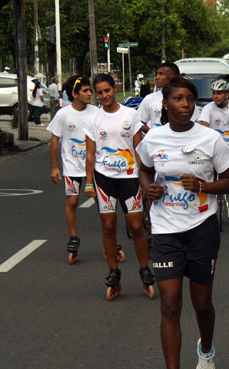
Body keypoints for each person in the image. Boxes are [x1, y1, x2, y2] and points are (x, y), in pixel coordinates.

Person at [137, 77, 229, 369]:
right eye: (178, 99)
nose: (185, 104)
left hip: (201, 228)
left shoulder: (210, 139)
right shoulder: (153, 138)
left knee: (202, 304)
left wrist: (202, 187)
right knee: (170, 303)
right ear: (165, 104)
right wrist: (148, 188)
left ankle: (206, 348)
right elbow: (144, 169)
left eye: (190, 99)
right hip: (165, 230)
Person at [83, 73, 155, 301]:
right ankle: (114, 272)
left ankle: (144, 269)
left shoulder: (130, 115)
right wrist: (88, 182)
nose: (104, 95)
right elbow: (90, 153)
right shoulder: (93, 119)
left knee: (136, 226)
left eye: (107, 90)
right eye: (100, 92)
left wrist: (143, 178)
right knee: (108, 226)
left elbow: (138, 149)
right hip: (104, 178)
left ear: (115, 88)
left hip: (129, 177)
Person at [47, 76, 98, 264]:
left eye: (90, 90)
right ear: (75, 94)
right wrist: (54, 167)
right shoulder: (63, 114)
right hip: (71, 167)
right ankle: (73, 238)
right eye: (85, 91)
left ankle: (110, 240)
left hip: (94, 166)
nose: (90, 94)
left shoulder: (95, 112)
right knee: (72, 201)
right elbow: (55, 140)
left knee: (103, 203)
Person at [199, 78, 229, 221]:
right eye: (214, 93)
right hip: (213, 145)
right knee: (206, 170)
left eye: (219, 93)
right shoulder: (208, 108)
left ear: (227, 94)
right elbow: (203, 127)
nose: (216, 96)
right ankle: (207, 202)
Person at [139, 63, 200, 134]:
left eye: (161, 74)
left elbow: (194, 122)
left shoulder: (186, 100)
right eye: (157, 74)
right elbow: (140, 122)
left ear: (172, 77)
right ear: (164, 103)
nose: (157, 77)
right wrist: (153, 134)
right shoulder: (149, 98)